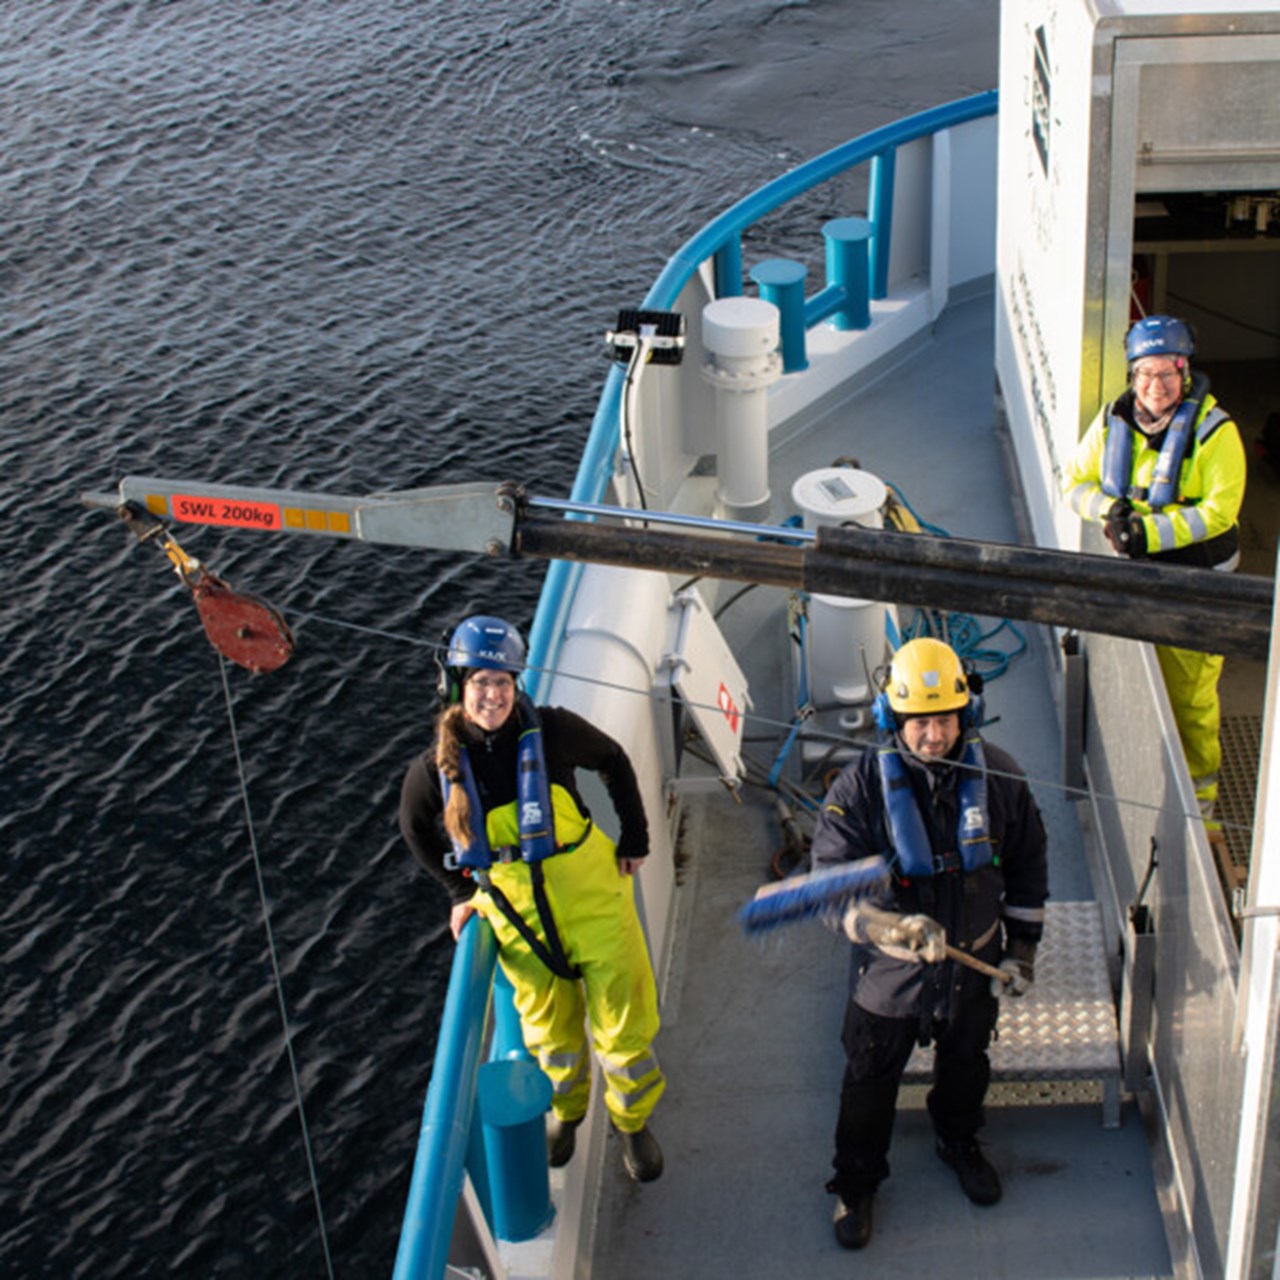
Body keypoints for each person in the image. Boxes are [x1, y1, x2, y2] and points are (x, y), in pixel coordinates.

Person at [398, 614, 665, 1182]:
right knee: (551, 1036)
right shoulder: (434, 771)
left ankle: (633, 1121)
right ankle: (568, 1114)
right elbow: (414, 829)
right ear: (457, 687)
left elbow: (614, 761)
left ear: (517, 685)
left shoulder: (554, 731)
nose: (492, 694)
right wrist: (458, 890)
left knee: (624, 1023)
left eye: (502, 682)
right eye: (479, 683)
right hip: (517, 920)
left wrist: (635, 838)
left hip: (594, 899)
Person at [810, 637, 1048, 1249]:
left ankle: (958, 1140)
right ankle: (856, 1183)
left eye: (944, 720)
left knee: (967, 1065)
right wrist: (891, 930)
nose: (934, 736)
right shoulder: (857, 794)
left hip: (972, 966)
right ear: (895, 720)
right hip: (889, 977)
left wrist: (1021, 952)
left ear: (964, 715)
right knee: (868, 1078)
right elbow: (833, 895)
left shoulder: (1002, 781)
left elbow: (1028, 867)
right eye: (920, 722)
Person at [1063, 314, 1246, 821]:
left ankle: (1200, 801)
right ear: (1132, 376)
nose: (1156, 386)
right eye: (1146, 374)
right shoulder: (1111, 422)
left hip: (1198, 588)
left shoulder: (1215, 434)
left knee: (1191, 696)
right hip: (1135, 580)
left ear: (1185, 374)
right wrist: (1110, 511)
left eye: (1168, 373)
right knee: (1132, 681)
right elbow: (1074, 483)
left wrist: (1146, 534)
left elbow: (1219, 513)